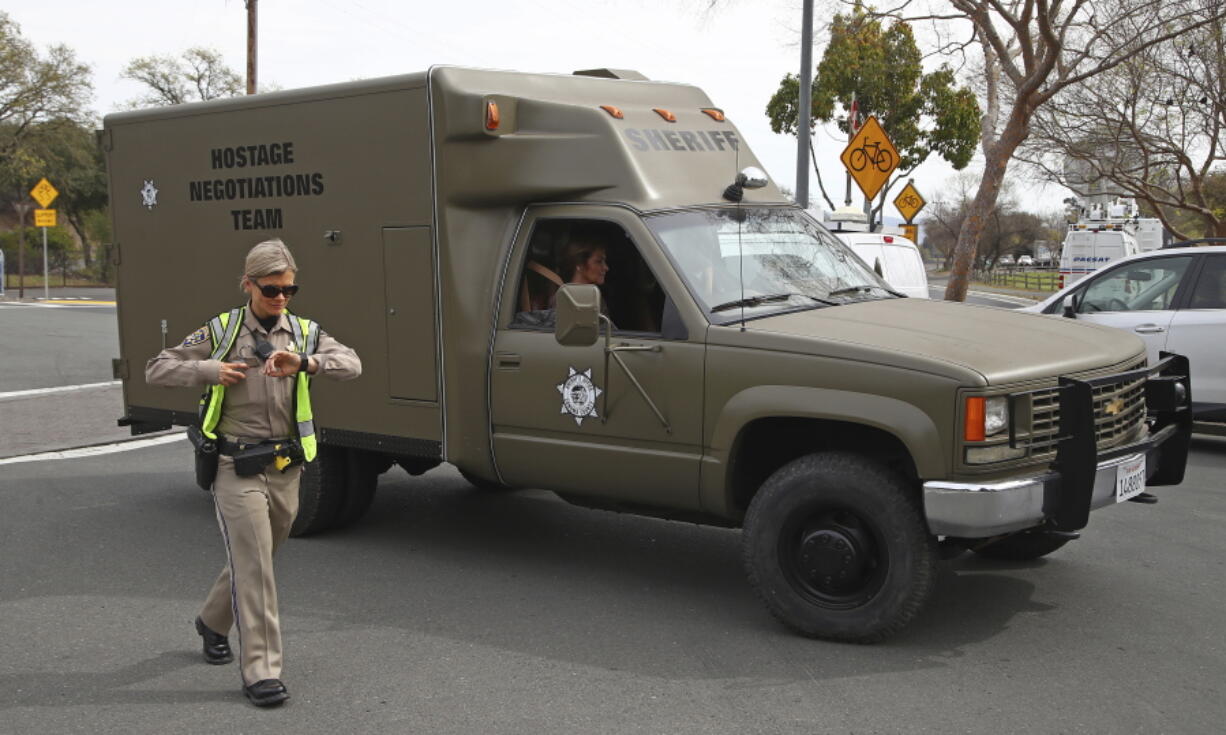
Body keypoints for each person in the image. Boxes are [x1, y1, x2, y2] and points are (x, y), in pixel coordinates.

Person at [146, 239, 361, 707]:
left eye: (289, 288)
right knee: (257, 568)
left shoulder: (304, 332)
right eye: (271, 288)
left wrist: (307, 363)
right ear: (248, 284)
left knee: (259, 558)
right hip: (234, 466)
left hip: (285, 466)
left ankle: (212, 621)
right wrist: (208, 369)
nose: (281, 297)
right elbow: (157, 368)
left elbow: (352, 364)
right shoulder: (222, 330)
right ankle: (262, 671)